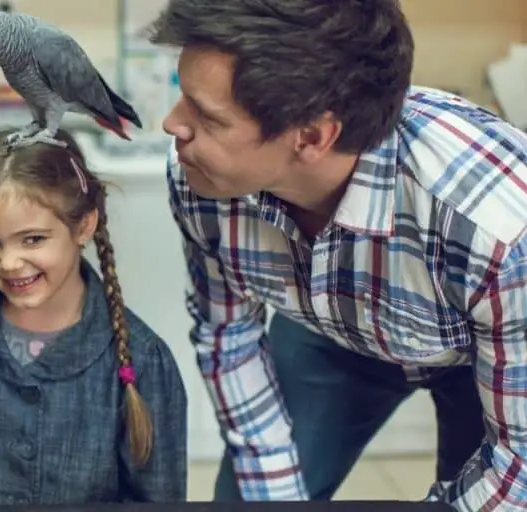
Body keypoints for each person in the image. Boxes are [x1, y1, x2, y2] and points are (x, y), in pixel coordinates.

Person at [148, 0, 527, 509]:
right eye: (182, 96)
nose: (173, 126)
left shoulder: (500, 229)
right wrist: (273, 496)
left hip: (483, 357)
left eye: (207, 117)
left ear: (312, 136)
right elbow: (227, 333)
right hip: (329, 333)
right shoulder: (201, 178)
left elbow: (518, 471)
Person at [0, 128, 189, 506]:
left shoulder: (145, 361)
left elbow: (157, 498)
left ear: (83, 226)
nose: (9, 262)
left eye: (32, 239)